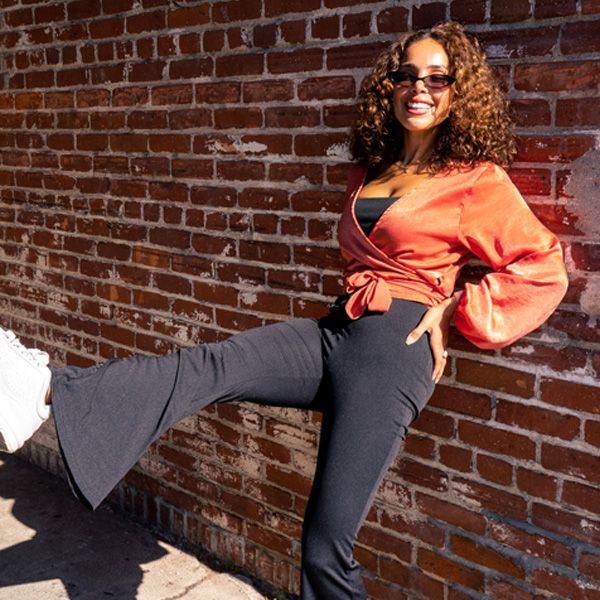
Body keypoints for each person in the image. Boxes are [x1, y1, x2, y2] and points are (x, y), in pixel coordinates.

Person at [0, 22, 568, 600]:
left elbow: (544, 266)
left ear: (457, 93)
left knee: (325, 546)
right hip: (339, 327)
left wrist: (457, 309)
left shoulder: (475, 181)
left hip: (393, 350)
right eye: (407, 74)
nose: (419, 87)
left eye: (438, 78)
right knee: (211, 366)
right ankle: (44, 389)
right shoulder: (372, 170)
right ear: (390, 85)